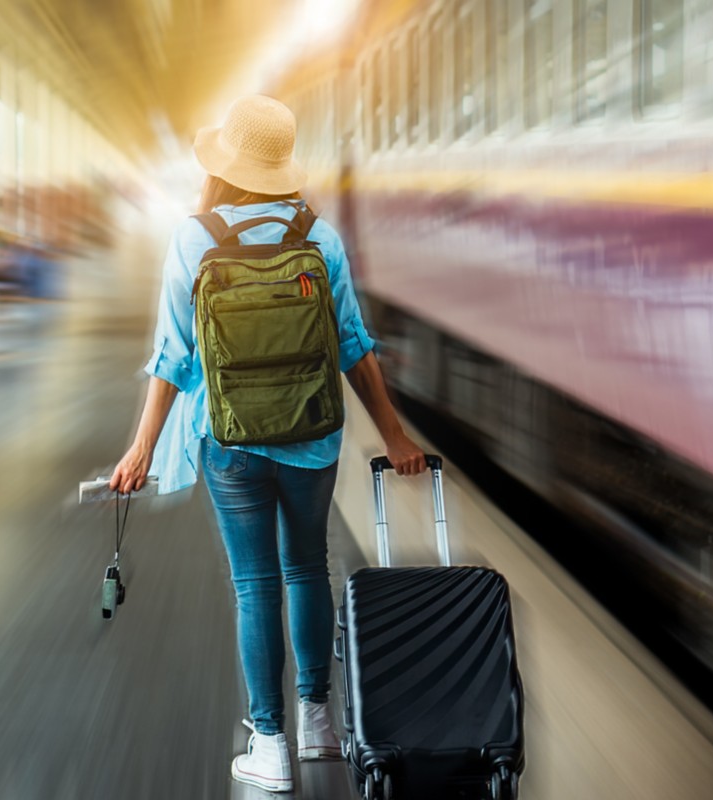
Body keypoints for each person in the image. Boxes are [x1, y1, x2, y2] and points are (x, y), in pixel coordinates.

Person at [109, 95, 425, 794]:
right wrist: (396, 435)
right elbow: (355, 348)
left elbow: (170, 355)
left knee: (255, 584)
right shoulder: (321, 238)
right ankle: (317, 722)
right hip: (312, 436)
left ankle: (270, 744)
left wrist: (139, 451)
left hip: (230, 441)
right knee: (307, 567)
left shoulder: (196, 239)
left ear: (226, 164)